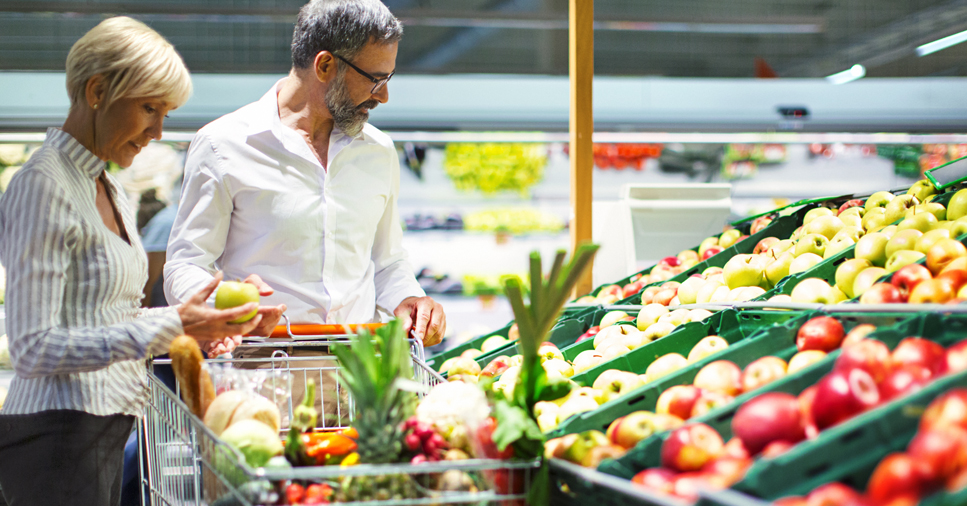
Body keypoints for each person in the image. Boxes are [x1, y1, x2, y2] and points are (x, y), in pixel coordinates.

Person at [0, 17, 264, 506]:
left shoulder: (110, 187)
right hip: (53, 438)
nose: (158, 131)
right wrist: (170, 326)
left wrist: (193, 321)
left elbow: (109, 318)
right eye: (149, 108)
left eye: (165, 113)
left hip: (99, 430)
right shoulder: (43, 185)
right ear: (97, 90)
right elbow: (33, 348)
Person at [164, 0, 445, 345]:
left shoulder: (378, 151)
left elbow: (386, 261)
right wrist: (225, 306)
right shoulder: (223, 145)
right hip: (262, 372)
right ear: (325, 64)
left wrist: (409, 300)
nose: (383, 96)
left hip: (357, 376)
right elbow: (186, 265)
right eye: (375, 79)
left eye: (388, 78)